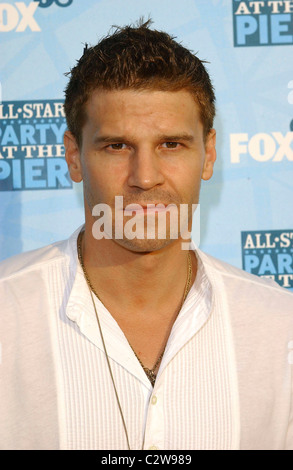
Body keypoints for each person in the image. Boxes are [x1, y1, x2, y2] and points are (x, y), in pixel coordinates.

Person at [0, 20, 292, 451]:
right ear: (73, 157)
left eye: (171, 144)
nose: (146, 177)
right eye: (117, 146)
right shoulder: (8, 316)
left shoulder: (280, 328)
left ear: (208, 155)